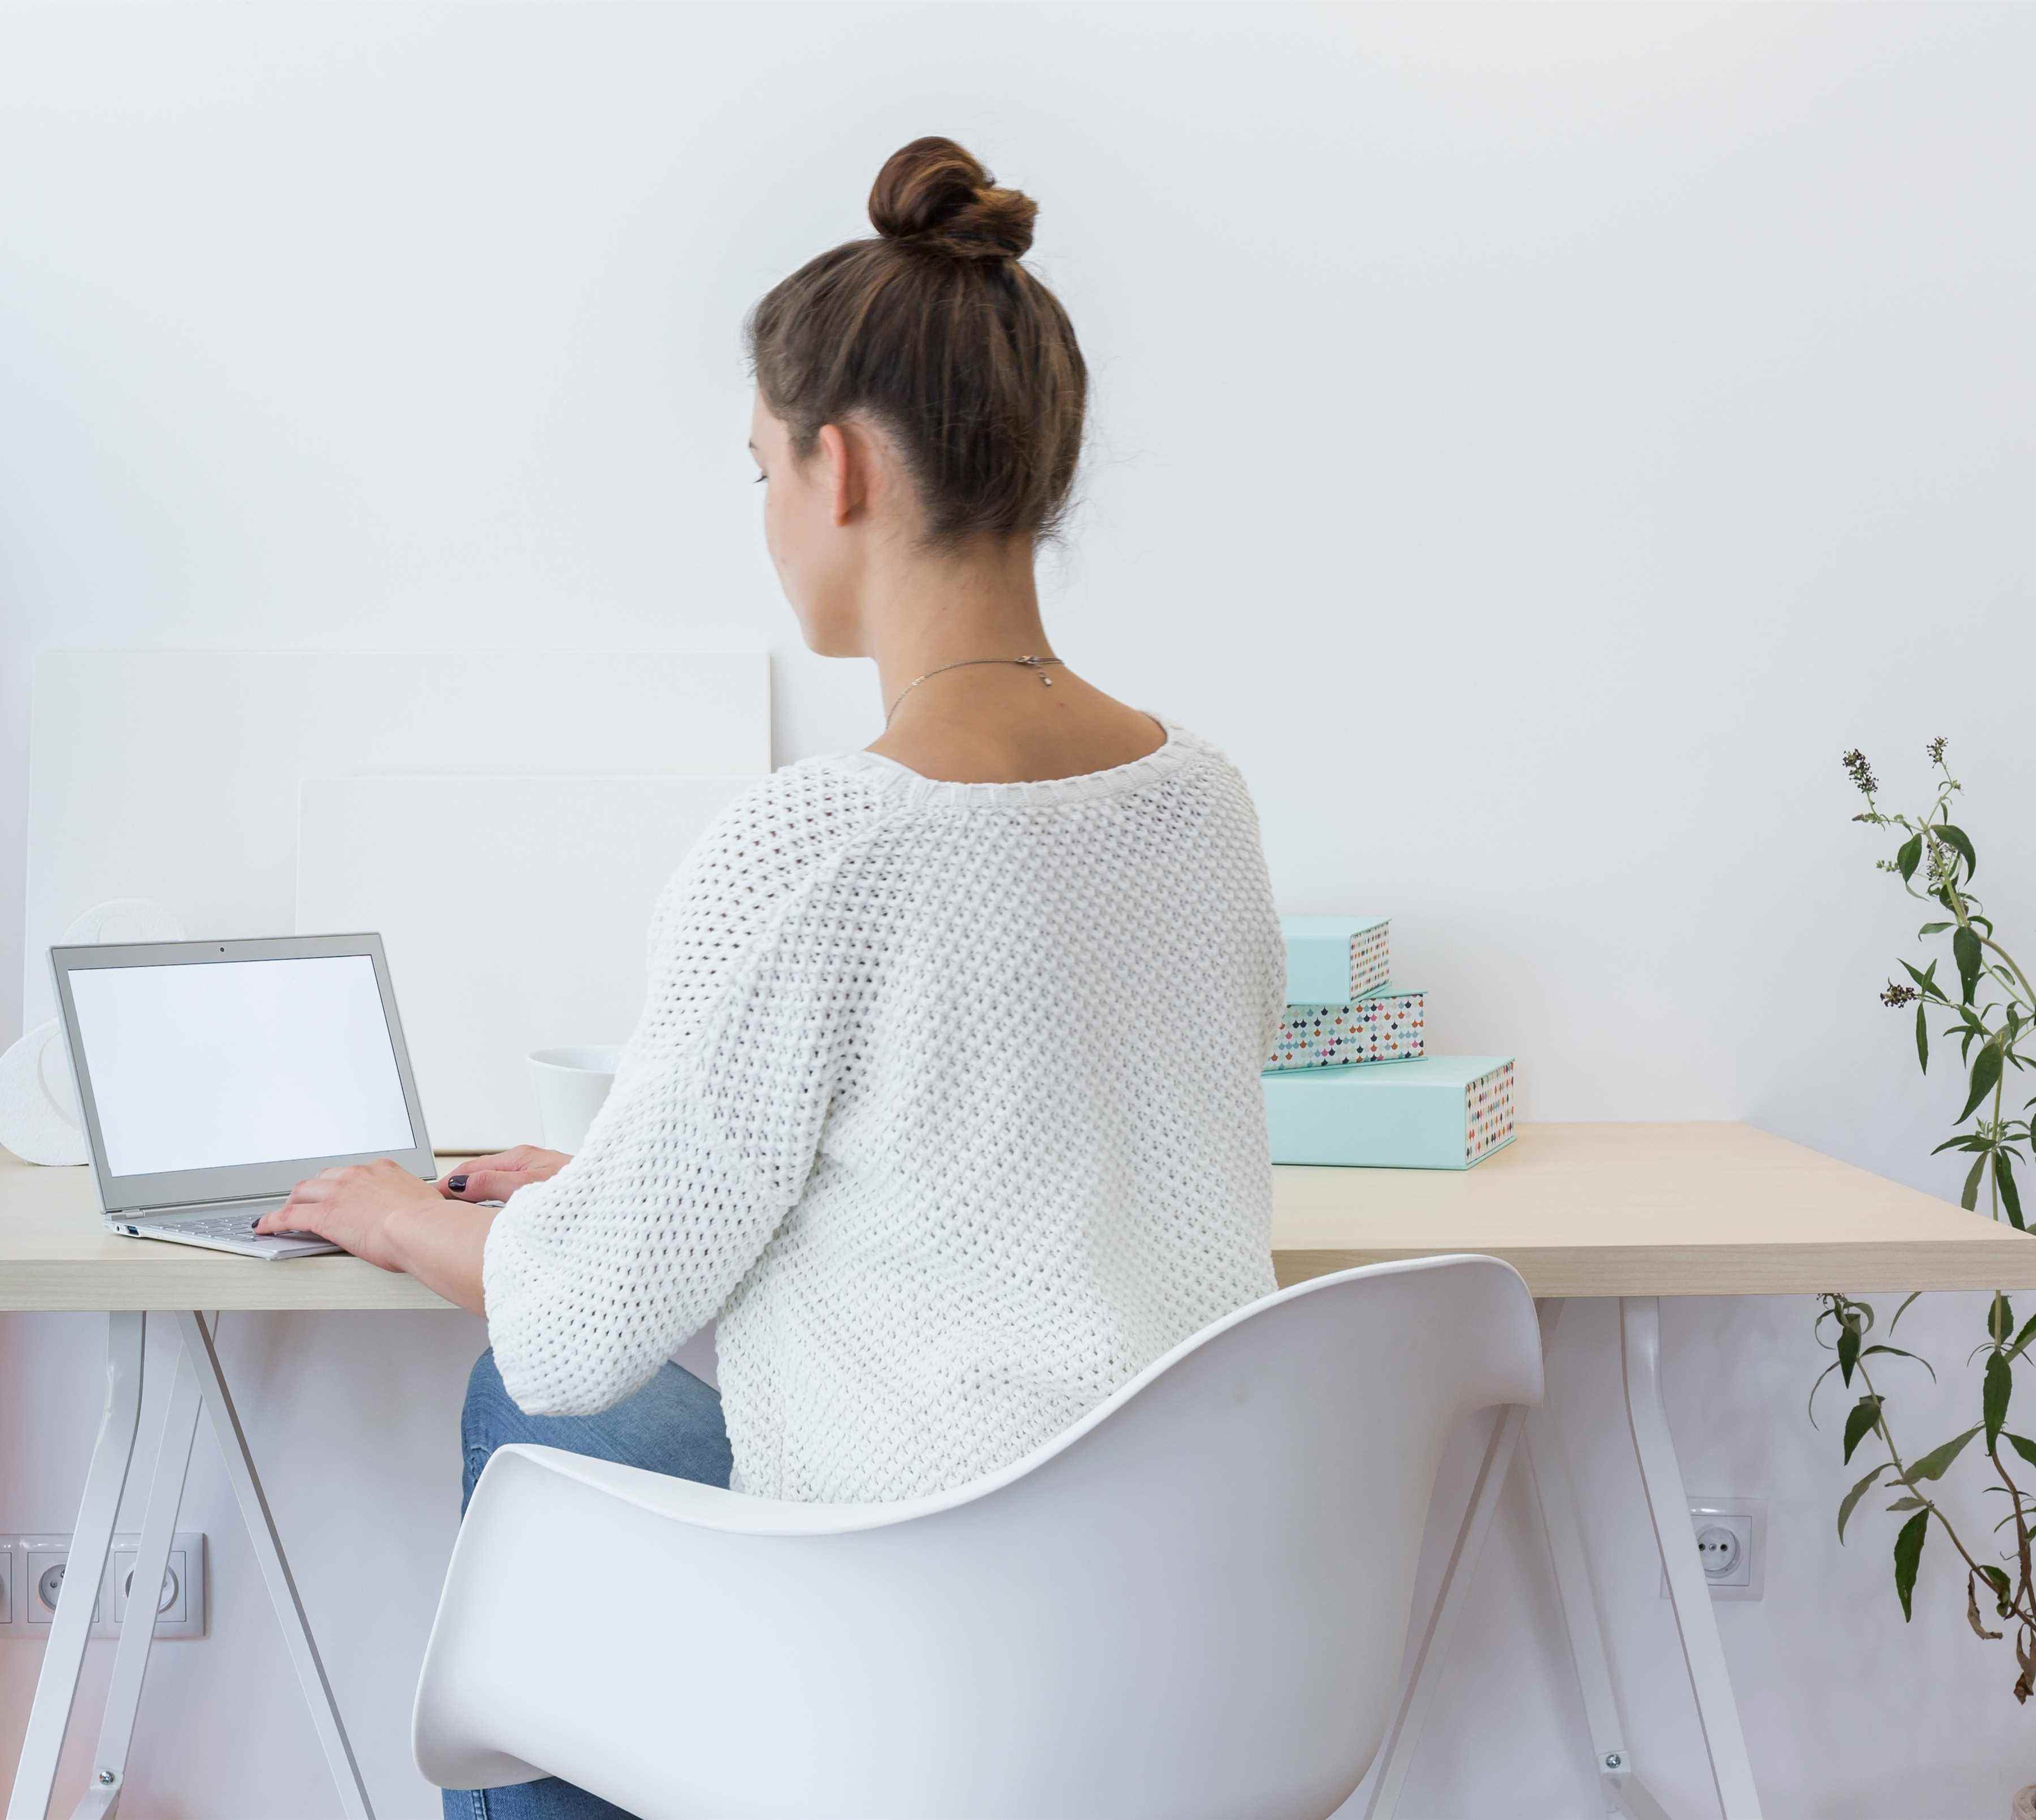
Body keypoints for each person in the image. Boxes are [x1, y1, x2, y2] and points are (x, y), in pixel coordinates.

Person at [261, 134, 1285, 1819]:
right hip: (1178, 1607)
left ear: (843, 470)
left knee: (522, 1404)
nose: (764, 516)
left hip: (923, 1620)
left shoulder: (823, 842)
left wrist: (389, 1205)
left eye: (758, 470)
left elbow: (581, 1328)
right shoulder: (1201, 804)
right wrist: (623, 1183)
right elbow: (1010, 1165)